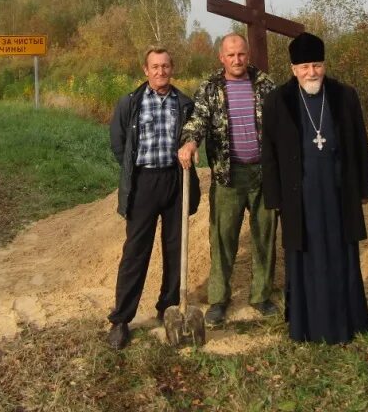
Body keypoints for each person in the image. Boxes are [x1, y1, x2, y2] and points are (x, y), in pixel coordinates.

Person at [261, 32, 368, 344]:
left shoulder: (344, 95)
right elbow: (268, 152)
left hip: (339, 192)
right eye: (305, 67)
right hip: (300, 195)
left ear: (324, 65)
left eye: (317, 65)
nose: (312, 72)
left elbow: (360, 144)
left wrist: (364, 187)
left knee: (342, 253)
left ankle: (348, 320)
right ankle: (307, 325)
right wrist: (274, 197)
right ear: (293, 69)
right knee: (305, 256)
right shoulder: (277, 101)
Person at [177, 33, 277, 325]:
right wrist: (190, 142)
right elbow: (198, 120)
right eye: (231, 55)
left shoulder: (266, 85)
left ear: (248, 55)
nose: (237, 60)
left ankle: (261, 296)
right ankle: (219, 299)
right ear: (221, 58)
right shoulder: (210, 88)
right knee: (222, 238)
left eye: (241, 54)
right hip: (227, 175)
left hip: (264, 174)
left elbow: (284, 123)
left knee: (265, 238)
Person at [107, 46, 199, 350]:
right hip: (143, 182)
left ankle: (168, 308)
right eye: (155, 67)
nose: (161, 72)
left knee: (175, 247)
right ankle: (121, 320)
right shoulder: (130, 103)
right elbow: (119, 144)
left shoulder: (184, 103)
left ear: (172, 69)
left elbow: (193, 137)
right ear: (146, 71)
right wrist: (133, 171)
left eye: (166, 66)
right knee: (136, 250)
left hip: (175, 179)